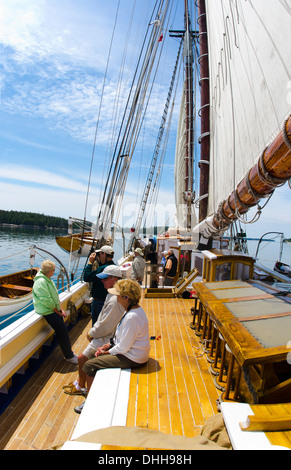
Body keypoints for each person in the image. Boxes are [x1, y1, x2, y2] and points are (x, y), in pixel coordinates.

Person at [74, 279, 150, 414]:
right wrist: (107, 346)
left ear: (126, 298)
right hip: (129, 352)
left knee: (89, 366)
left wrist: (106, 353)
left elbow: (124, 347)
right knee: (90, 356)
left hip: (133, 357)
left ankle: (90, 402)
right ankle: (91, 390)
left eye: (118, 295)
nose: (116, 297)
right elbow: (120, 338)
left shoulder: (132, 316)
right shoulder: (131, 311)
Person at [63, 265, 124, 396]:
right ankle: (79, 382)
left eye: (105, 279)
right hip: (106, 335)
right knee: (82, 359)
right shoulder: (112, 294)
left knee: (81, 359)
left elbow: (106, 324)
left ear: (114, 279)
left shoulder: (114, 300)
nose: (102, 281)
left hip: (107, 337)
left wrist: (91, 333)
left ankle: (80, 386)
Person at [33, 259, 77, 364]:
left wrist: (61, 309)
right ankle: (69, 356)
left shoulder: (47, 279)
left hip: (53, 310)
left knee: (63, 332)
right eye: (53, 270)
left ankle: (69, 352)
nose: (54, 272)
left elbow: (55, 297)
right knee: (63, 333)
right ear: (49, 271)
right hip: (48, 311)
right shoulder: (41, 282)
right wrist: (58, 312)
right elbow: (47, 301)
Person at [83, 245, 115, 325]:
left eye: (99, 254)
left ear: (104, 254)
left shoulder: (103, 269)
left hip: (99, 302)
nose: (98, 257)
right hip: (109, 300)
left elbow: (87, 277)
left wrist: (90, 263)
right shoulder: (114, 266)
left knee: (97, 324)